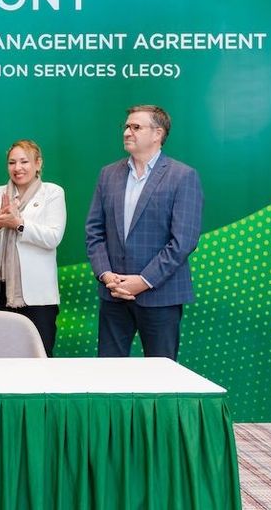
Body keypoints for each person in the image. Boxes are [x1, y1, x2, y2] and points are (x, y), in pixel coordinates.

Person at [85, 105, 203, 361]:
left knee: (162, 380)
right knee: (109, 377)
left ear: (157, 134)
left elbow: (184, 241)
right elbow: (94, 231)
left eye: (136, 127)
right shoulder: (108, 174)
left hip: (161, 295)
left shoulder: (183, 176)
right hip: (114, 293)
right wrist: (106, 275)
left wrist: (143, 281)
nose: (127, 132)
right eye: (126, 127)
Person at [0, 140, 66, 357]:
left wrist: (18, 223)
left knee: (37, 358)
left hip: (36, 296)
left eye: (24, 162)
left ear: (38, 164)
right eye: (12, 162)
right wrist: (0, 224)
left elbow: (53, 237)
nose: (17, 168)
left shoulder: (52, 193)